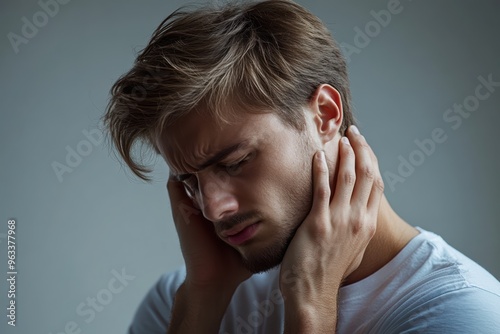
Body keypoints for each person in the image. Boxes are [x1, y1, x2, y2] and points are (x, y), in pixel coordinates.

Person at [103, 0, 500, 332]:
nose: (211, 208)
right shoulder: (184, 303)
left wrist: (311, 304)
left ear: (325, 115)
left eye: (236, 162)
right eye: (189, 181)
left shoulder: (461, 315)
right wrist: (203, 298)